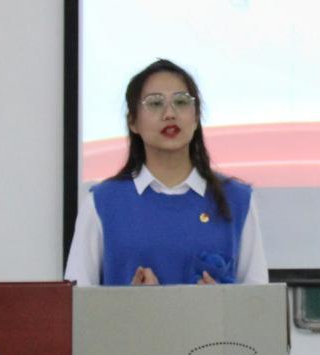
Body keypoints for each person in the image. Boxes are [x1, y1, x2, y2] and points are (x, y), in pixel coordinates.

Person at [64, 59, 268, 285]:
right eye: (155, 103)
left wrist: (220, 301)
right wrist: (130, 302)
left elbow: (259, 301)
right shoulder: (102, 202)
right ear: (133, 121)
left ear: (196, 117)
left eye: (181, 101)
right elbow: (75, 300)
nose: (170, 113)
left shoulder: (237, 200)